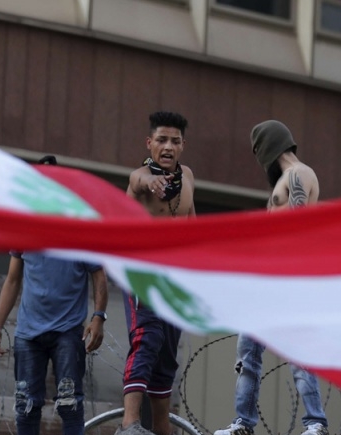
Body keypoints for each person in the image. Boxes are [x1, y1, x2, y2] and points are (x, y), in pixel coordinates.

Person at [215, 120, 328, 435]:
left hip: (284, 277)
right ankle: (244, 422)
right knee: (249, 352)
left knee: (293, 350)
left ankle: (315, 422)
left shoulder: (297, 174)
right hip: (271, 277)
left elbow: (294, 225)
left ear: (267, 147)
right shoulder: (291, 177)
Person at [0, 156, 109, 435]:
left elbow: (99, 276)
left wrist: (99, 317)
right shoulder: (23, 227)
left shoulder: (79, 228)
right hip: (28, 335)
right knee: (26, 406)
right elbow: (12, 279)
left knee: (70, 404)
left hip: (68, 332)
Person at [117, 111, 196, 435]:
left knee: (166, 355)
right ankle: (130, 423)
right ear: (149, 143)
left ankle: (162, 429)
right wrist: (151, 181)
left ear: (182, 145)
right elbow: (139, 181)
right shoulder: (140, 178)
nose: (168, 147)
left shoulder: (187, 176)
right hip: (142, 271)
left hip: (175, 276)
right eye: (161, 140)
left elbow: (192, 226)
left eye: (174, 141)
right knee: (147, 337)